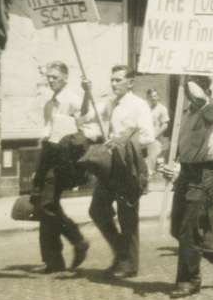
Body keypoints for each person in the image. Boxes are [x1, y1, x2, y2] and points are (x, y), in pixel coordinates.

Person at [83, 65, 156, 277]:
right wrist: (87, 92)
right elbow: (91, 119)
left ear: (130, 82)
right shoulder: (110, 103)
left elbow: (148, 136)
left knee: (127, 216)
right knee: (97, 210)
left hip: (128, 165)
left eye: (118, 80)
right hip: (110, 165)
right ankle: (121, 251)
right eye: (112, 80)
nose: (113, 84)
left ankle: (129, 264)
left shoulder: (139, 105)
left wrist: (122, 141)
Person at [162, 76, 213, 298]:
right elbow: (184, 145)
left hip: (206, 173)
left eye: (192, 87)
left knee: (188, 230)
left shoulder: (212, 107)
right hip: (188, 171)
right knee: (177, 227)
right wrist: (174, 166)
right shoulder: (187, 110)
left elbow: (203, 101)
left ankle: (189, 280)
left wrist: (188, 76)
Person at [31, 61, 91, 274]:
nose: (50, 80)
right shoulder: (49, 103)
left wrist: (87, 93)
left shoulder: (72, 98)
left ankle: (77, 240)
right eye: (48, 76)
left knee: (47, 204)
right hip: (47, 153)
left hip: (62, 156)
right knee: (43, 204)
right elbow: (46, 130)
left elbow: (84, 116)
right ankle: (53, 260)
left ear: (65, 77)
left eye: (54, 77)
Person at [146, 89, 170, 162]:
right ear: (148, 98)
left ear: (158, 97)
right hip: (147, 140)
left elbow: (165, 125)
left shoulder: (162, 109)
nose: (153, 98)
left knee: (155, 161)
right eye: (150, 96)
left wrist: (154, 136)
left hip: (157, 140)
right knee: (147, 162)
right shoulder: (147, 109)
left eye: (154, 96)